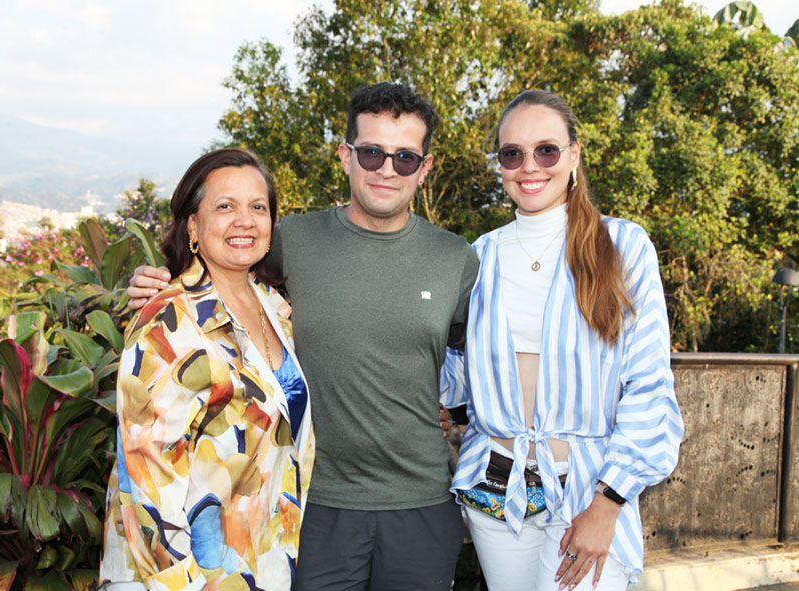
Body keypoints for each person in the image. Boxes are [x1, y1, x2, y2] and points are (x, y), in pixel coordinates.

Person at [127, 83, 480, 591]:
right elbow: (218, 275)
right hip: (307, 504)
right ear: (346, 156)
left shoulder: (455, 258)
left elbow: (481, 365)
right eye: (372, 152)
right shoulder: (291, 239)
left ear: (424, 169)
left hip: (421, 505)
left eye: (405, 158)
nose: (387, 168)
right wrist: (153, 279)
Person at [441, 90, 684, 591]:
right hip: (495, 490)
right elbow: (454, 373)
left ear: (573, 155)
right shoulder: (476, 257)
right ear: (501, 165)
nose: (530, 166)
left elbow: (649, 385)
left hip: (588, 491)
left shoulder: (623, 246)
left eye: (546, 150)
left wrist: (609, 502)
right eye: (513, 153)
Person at [100, 148, 315, 591]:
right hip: (184, 576)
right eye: (225, 206)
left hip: (259, 564)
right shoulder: (169, 321)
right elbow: (148, 485)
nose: (245, 220)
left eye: (258, 207)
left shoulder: (274, 307)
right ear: (193, 226)